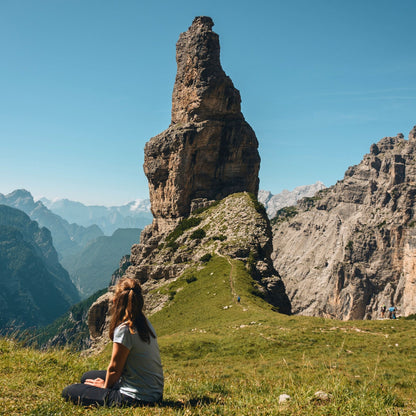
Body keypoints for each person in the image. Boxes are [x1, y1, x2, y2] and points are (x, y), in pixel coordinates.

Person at [62, 277, 164, 407]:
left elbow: (114, 369)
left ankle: (110, 391)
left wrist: (104, 387)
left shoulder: (125, 329)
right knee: (87, 376)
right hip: (153, 392)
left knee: (69, 391)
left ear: (116, 301)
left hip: (137, 398)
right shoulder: (144, 322)